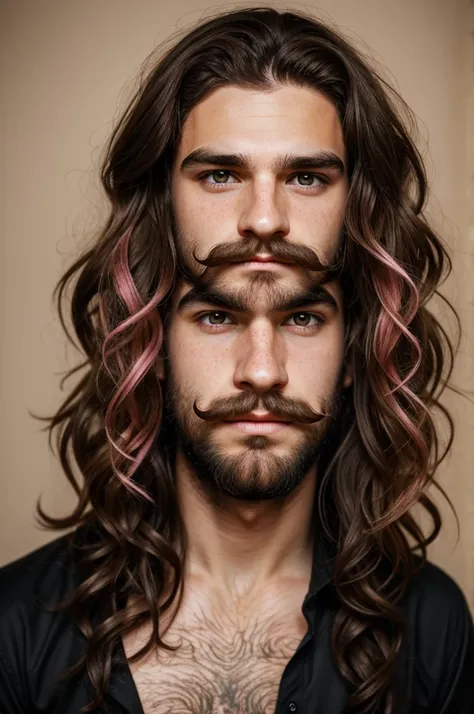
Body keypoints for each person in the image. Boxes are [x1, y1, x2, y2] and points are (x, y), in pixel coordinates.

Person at [0, 6, 473, 714]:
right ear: (150, 342)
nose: (262, 219)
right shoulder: (15, 625)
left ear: (355, 350)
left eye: (304, 317)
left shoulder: (431, 627)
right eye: (217, 315)